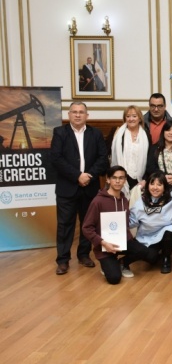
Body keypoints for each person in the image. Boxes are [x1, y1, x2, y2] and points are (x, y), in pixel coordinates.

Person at [50, 102, 108, 275]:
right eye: (74, 112)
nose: (77, 115)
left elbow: (103, 158)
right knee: (65, 225)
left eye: (81, 112)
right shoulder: (59, 133)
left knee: (87, 224)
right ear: (69, 115)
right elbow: (56, 159)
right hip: (67, 187)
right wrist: (77, 176)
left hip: (89, 187)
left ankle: (84, 255)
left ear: (86, 116)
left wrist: (88, 175)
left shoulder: (95, 133)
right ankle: (63, 260)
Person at [82, 166, 158, 285]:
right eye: (114, 178)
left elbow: (125, 223)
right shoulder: (98, 201)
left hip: (123, 241)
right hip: (105, 246)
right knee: (114, 279)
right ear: (108, 180)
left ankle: (122, 263)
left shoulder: (124, 200)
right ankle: (108, 266)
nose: (118, 181)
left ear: (125, 180)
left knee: (152, 255)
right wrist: (103, 243)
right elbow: (86, 228)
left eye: (121, 178)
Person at [129, 171, 172, 274]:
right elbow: (132, 221)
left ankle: (166, 259)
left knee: (169, 229)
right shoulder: (140, 202)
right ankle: (157, 254)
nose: (155, 187)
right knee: (151, 259)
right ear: (147, 185)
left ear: (165, 186)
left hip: (167, 235)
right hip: (147, 235)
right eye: (152, 184)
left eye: (159, 184)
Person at [110, 105, 150, 197]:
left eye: (134, 116)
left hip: (140, 179)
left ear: (140, 118)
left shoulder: (146, 135)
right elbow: (109, 154)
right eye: (128, 116)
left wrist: (145, 179)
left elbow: (150, 158)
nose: (131, 119)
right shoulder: (118, 133)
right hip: (120, 178)